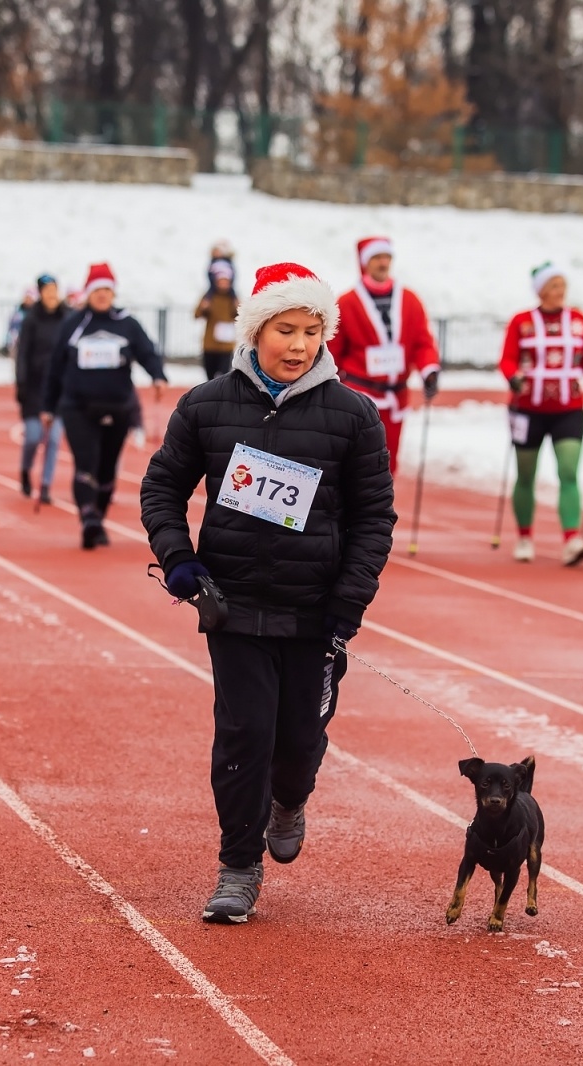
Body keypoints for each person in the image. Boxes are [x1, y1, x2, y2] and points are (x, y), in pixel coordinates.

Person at [140, 261, 396, 923]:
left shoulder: (354, 416)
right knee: (243, 735)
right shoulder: (206, 406)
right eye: (287, 329)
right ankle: (238, 867)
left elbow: (374, 517)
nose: (301, 345)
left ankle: (290, 798)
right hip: (235, 606)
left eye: (313, 331)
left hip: (317, 615)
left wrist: (350, 598)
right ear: (257, 331)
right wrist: (179, 562)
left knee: (296, 745)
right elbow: (162, 489)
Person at [42, 262, 167, 549]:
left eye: (107, 290)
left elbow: (147, 352)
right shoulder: (73, 324)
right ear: (88, 293)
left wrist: (158, 375)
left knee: (108, 468)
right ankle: (88, 519)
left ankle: (97, 515)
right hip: (77, 407)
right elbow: (55, 367)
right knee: (86, 463)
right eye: (97, 290)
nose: (102, 295)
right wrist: (48, 406)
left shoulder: (127, 324)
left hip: (118, 406)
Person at [499, 262, 583, 566]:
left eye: (563, 286)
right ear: (541, 291)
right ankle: (524, 536)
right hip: (528, 410)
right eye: (554, 286)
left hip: (569, 409)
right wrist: (513, 377)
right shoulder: (521, 322)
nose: (560, 292)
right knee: (526, 475)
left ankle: (572, 539)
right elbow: (507, 359)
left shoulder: (578, 321)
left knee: (569, 471)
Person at [327, 236, 441, 474]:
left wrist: (429, 370)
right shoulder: (347, 302)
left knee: (388, 463)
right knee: (356, 461)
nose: (383, 263)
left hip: (396, 398)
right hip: (359, 396)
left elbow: (423, 342)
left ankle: (381, 510)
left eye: (386, 257)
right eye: (377, 258)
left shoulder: (410, 300)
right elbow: (333, 351)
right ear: (365, 263)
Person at [13, 273, 67, 504]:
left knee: (54, 439)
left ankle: (45, 485)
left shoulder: (67, 318)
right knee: (34, 437)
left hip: (58, 389)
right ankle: (26, 470)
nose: (52, 295)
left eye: (55, 290)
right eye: (47, 291)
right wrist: (21, 384)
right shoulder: (31, 320)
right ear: (40, 293)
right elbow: (22, 353)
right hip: (34, 389)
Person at [195, 260, 241, 380]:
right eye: (221, 281)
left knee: (225, 376)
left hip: (226, 345)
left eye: (226, 281)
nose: (223, 284)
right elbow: (196, 315)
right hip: (210, 343)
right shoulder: (208, 297)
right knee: (210, 377)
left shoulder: (233, 299)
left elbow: (242, 317)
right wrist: (203, 307)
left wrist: (238, 308)